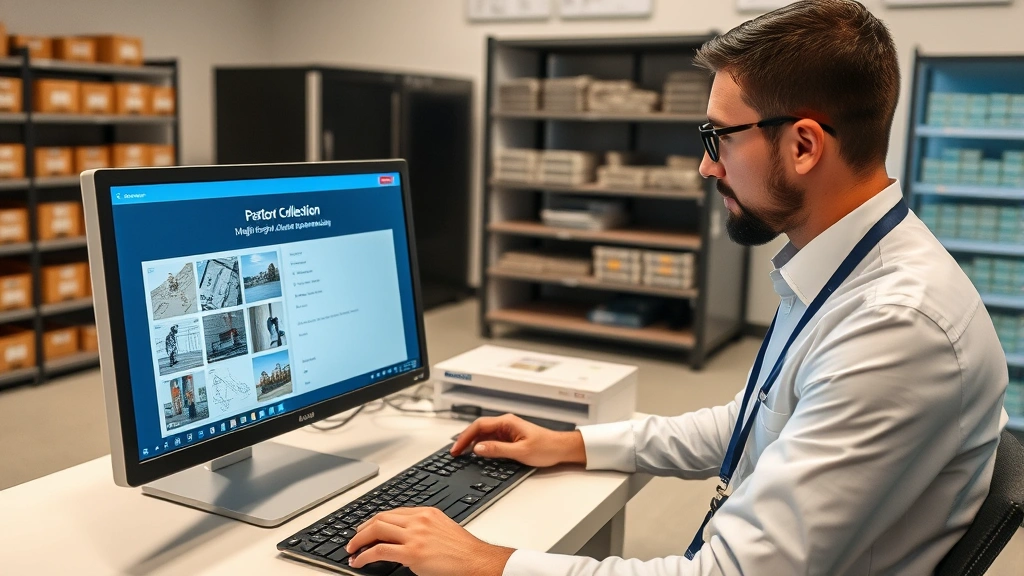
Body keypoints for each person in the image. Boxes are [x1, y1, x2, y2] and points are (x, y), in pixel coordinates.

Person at [343, 2, 1008, 575]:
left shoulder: (895, 328)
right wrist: (573, 444)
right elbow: (758, 418)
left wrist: (490, 561)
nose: (704, 164)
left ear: (804, 145)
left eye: (718, 136)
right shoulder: (852, 267)